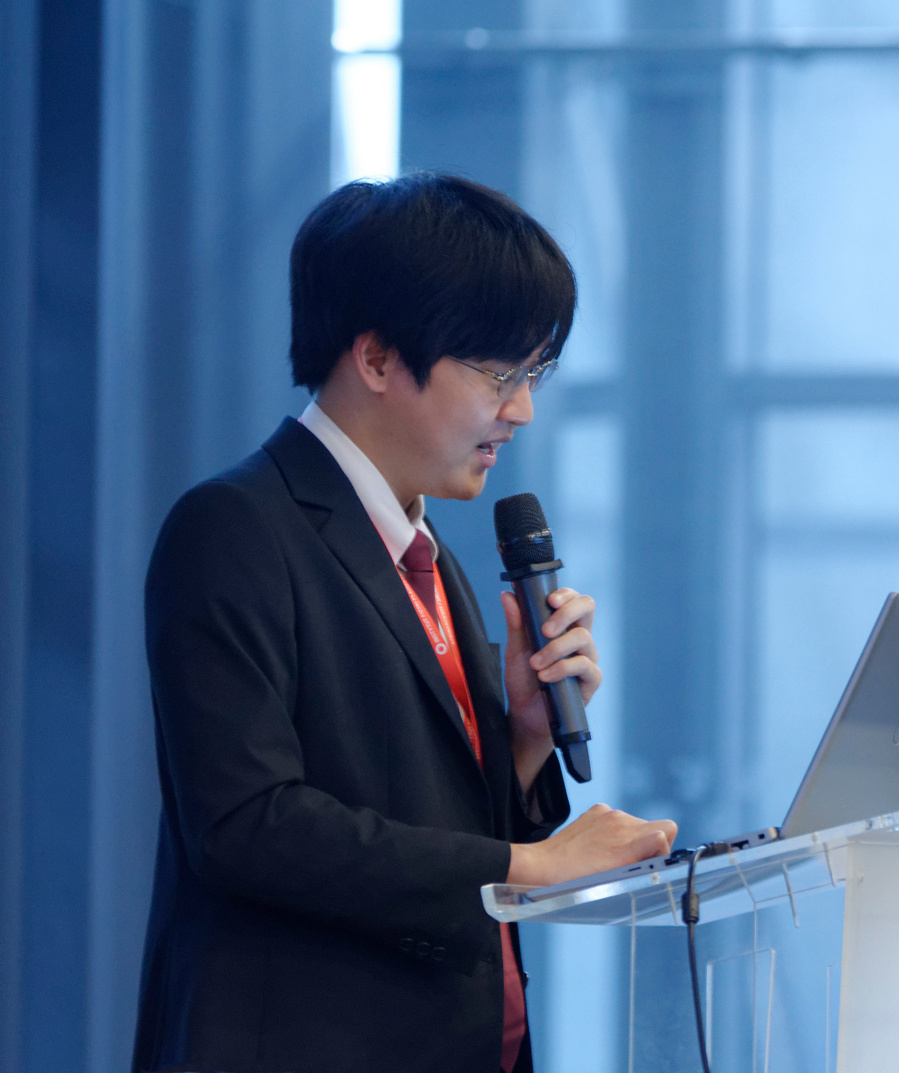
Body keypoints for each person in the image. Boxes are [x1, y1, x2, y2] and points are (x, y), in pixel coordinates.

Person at [133, 173, 676, 1073]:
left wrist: (524, 740)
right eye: (499, 373)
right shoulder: (233, 527)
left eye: (533, 374)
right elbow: (248, 825)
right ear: (379, 358)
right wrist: (534, 864)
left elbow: (424, 817)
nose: (521, 409)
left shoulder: (430, 554)